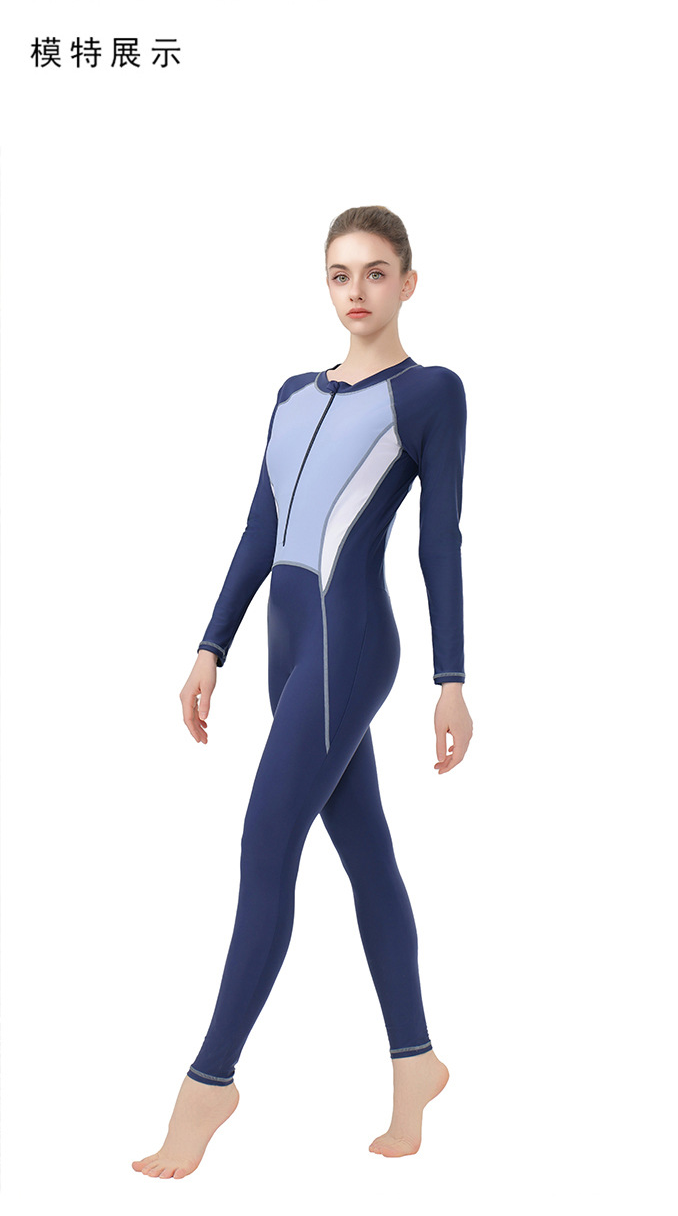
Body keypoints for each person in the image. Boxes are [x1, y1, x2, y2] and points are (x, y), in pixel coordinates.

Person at [132, 205, 473, 1178]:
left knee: (265, 840)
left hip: (351, 646)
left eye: (375, 272)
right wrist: (211, 646)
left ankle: (208, 1083)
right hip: (287, 652)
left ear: (409, 282)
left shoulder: (430, 392)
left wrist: (452, 679)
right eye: (338, 274)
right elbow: (259, 527)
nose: (355, 291)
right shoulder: (289, 394)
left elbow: (438, 542)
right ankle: (416, 1063)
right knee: (366, 854)